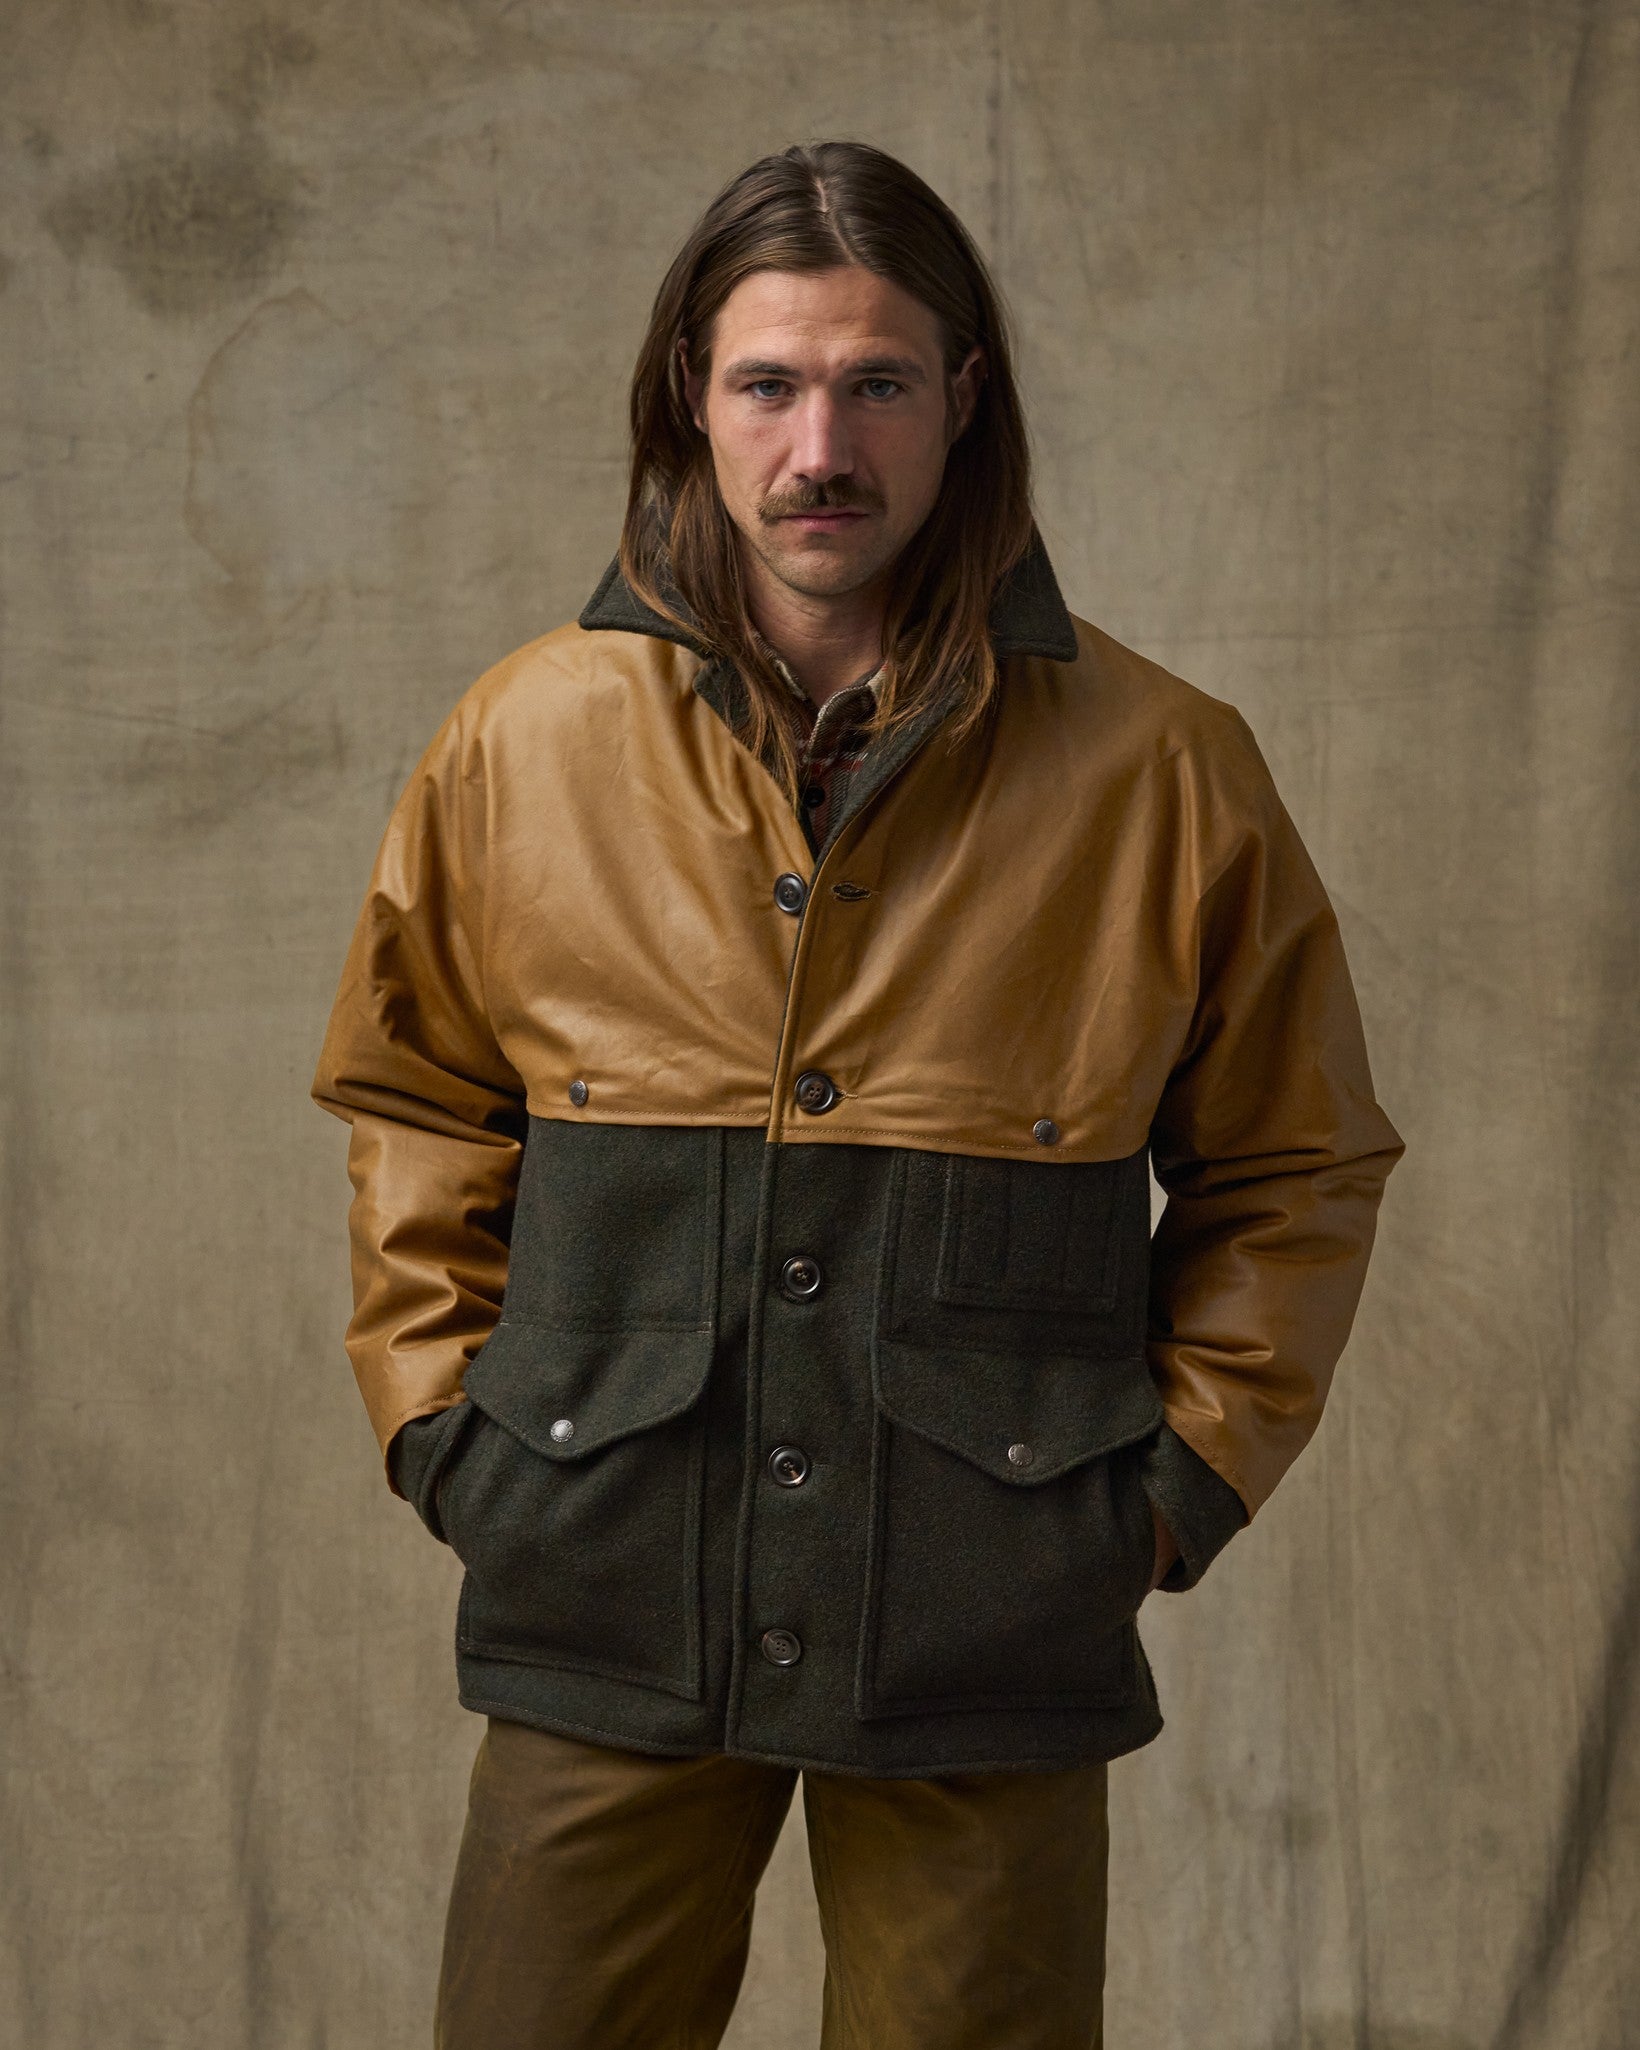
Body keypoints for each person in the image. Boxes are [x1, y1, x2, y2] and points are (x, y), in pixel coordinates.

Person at [313, 139, 1404, 2050]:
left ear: (964, 399)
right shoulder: (518, 742)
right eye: (771, 383)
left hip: (990, 1610)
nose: (822, 446)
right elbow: (412, 1098)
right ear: (691, 395)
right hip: (603, 1582)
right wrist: (444, 1434)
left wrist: (1165, 1494)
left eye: (877, 382)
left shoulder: (1166, 770)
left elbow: (1297, 1159)